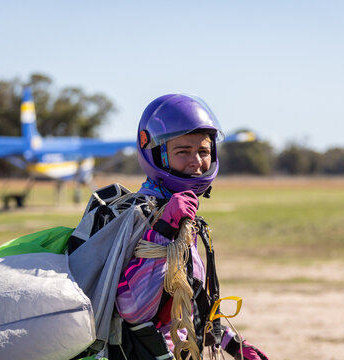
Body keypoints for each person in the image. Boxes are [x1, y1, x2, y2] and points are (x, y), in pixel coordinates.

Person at [113, 94, 268, 360]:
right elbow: (132, 310)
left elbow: (188, 301)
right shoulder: (140, 215)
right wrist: (163, 231)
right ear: (157, 155)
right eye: (183, 151)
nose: (196, 161)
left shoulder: (185, 218)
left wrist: (235, 346)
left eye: (204, 151)